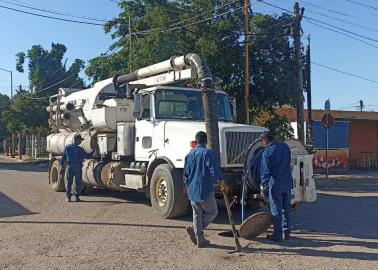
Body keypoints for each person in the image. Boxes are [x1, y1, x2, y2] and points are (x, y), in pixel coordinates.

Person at [183, 131, 224, 248]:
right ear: (206, 141)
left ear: (196, 141)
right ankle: (195, 230)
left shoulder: (189, 154)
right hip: (204, 189)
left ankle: (199, 239)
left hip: (192, 189)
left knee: (197, 214)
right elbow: (213, 169)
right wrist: (220, 182)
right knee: (212, 212)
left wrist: (187, 187)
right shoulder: (207, 153)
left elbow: (185, 174)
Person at [260, 132, 293, 242]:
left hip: (275, 185)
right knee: (286, 209)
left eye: (262, 142)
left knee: (276, 210)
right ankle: (287, 233)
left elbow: (265, 172)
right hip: (287, 183)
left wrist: (264, 186)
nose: (262, 144)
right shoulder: (285, 147)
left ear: (265, 140)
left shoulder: (267, 152)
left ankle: (278, 235)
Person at [60, 134, 90, 202]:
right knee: (78, 182)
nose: (81, 142)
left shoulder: (67, 147)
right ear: (77, 140)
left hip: (70, 166)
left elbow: (63, 158)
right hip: (77, 167)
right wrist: (94, 151)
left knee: (69, 182)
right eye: (80, 140)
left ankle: (68, 197)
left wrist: (62, 167)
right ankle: (77, 197)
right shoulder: (80, 149)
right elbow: (87, 156)